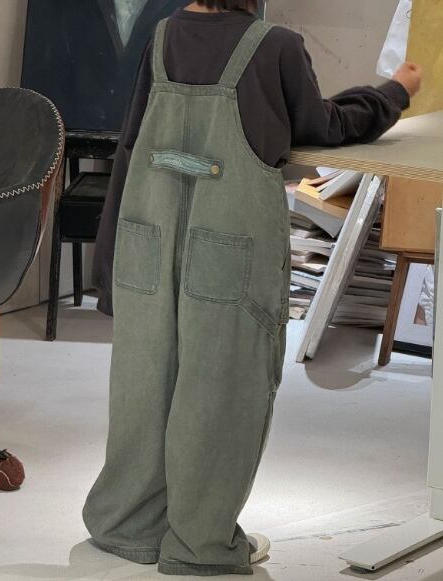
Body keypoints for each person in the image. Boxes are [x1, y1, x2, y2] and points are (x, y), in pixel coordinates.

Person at [84, 0, 422, 576]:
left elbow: (133, 144)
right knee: (222, 387)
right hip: (228, 247)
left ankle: (126, 526)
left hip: (148, 238)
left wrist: (108, 265)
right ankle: (199, 545)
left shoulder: (163, 37)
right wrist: (394, 92)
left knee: (144, 380)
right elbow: (324, 125)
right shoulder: (274, 46)